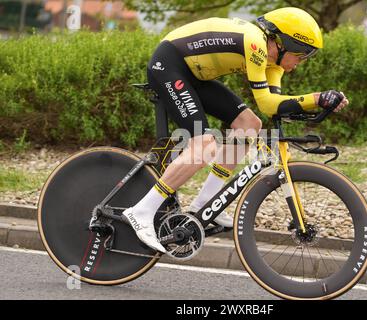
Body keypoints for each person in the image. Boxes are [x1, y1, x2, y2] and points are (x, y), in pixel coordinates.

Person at [123, 7, 349, 253]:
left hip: (192, 75)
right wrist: (317, 97)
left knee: (249, 125)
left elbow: (273, 107)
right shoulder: (255, 44)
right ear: (284, 42)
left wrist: (322, 102)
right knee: (205, 145)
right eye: (302, 54)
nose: (301, 62)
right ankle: (142, 210)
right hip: (168, 65)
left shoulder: (274, 64)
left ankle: (203, 206)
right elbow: (266, 103)